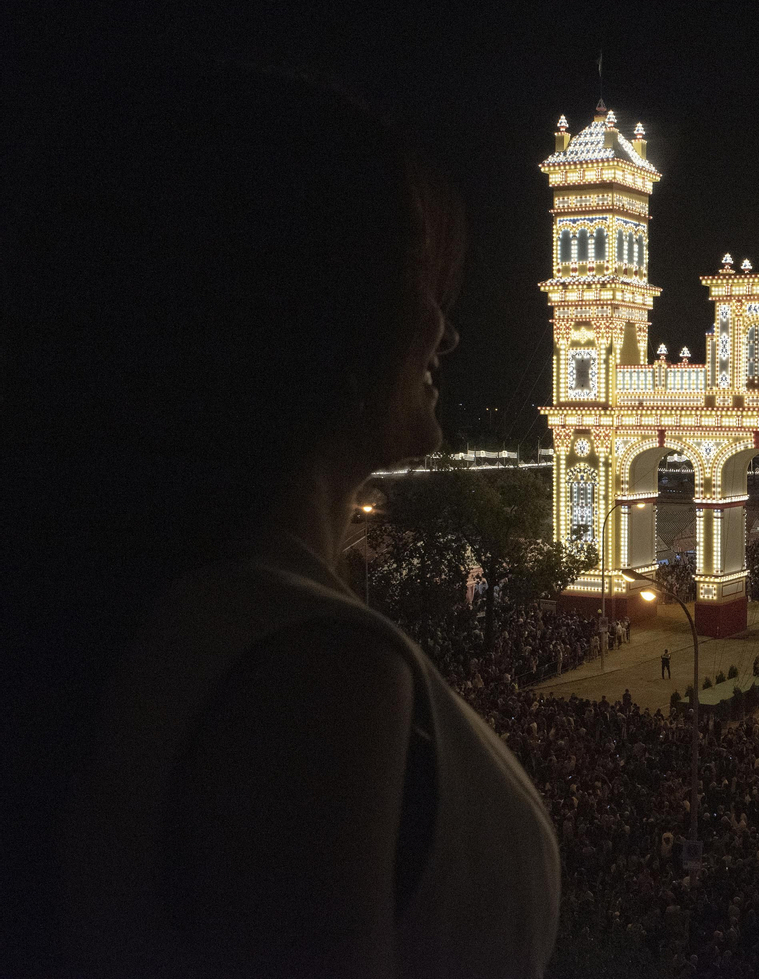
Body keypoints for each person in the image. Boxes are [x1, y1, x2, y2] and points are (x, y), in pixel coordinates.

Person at [5, 66, 560, 977]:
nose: (444, 330)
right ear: (309, 303)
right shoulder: (315, 673)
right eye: (418, 279)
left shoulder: (183, 611)